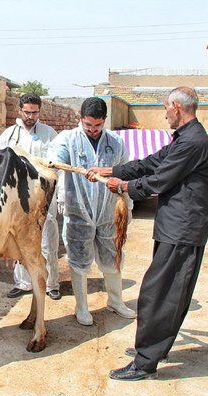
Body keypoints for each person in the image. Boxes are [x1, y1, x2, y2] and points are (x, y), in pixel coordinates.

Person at [86, 87, 208, 380]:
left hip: (183, 229)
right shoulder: (185, 139)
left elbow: (159, 179)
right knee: (169, 291)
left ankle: (145, 362)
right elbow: (150, 163)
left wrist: (123, 187)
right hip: (175, 226)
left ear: (176, 107)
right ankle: (155, 349)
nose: (164, 114)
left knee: (159, 294)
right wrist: (110, 170)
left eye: (165, 108)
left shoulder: (193, 142)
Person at [47, 97, 136, 325]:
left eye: (97, 126)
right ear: (81, 118)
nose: (93, 130)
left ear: (104, 121)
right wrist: (59, 162)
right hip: (79, 212)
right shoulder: (68, 139)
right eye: (88, 126)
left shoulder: (115, 142)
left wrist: (126, 203)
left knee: (113, 256)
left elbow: (124, 171)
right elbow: (55, 162)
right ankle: (82, 307)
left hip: (107, 211)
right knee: (78, 260)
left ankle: (115, 301)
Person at [0, 93, 62, 300]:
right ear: (20, 111)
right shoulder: (8, 135)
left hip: (43, 195)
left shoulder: (49, 134)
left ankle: (51, 284)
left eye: (34, 113)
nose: (30, 116)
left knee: (48, 238)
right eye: (27, 112)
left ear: (39, 112)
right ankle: (23, 282)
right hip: (17, 196)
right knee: (19, 238)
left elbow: (57, 164)